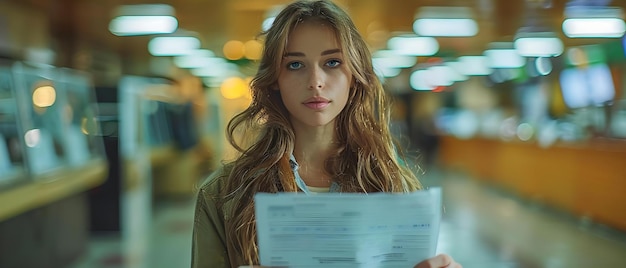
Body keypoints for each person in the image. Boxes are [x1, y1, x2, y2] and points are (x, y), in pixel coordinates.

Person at [191, 0, 461, 267]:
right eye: (295, 65)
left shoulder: (394, 185)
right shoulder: (224, 194)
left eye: (332, 62)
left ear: (354, 75)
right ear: (275, 79)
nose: (315, 82)